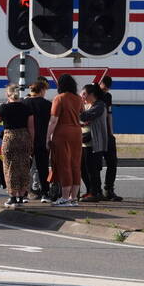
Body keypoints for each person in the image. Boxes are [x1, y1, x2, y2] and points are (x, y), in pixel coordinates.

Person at [46, 74, 83, 206]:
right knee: (75, 165)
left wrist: (47, 136)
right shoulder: (79, 99)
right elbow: (81, 115)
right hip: (77, 133)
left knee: (64, 165)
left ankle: (65, 197)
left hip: (62, 134)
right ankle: (74, 198)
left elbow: (54, 120)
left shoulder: (59, 98)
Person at [0, 84, 34, 206]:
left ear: (8, 94)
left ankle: (12, 197)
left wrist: (5, 105)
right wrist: (31, 142)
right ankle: (21, 196)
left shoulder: (4, 107)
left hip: (10, 139)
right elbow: (31, 127)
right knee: (24, 166)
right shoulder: (26, 108)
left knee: (10, 167)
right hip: (24, 138)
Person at [78, 84, 109, 203]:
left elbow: (85, 116)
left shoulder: (100, 105)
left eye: (84, 94)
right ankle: (91, 191)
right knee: (83, 168)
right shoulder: (88, 105)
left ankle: (95, 193)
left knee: (92, 169)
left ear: (92, 94)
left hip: (95, 143)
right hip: (84, 142)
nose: (83, 97)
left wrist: (78, 107)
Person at [23, 78, 52, 203]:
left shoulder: (24, 103)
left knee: (25, 167)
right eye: (45, 90)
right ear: (41, 90)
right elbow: (52, 121)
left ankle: (23, 193)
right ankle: (45, 193)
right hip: (42, 139)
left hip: (26, 139)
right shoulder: (47, 104)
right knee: (43, 167)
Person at [98, 75, 122, 201]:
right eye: (104, 87)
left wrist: (111, 133)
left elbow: (109, 115)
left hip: (107, 134)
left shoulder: (108, 97)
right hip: (96, 134)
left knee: (112, 162)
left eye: (107, 88)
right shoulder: (93, 94)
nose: (105, 90)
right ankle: (96, 190)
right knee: (95, 165)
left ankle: (109, 188)